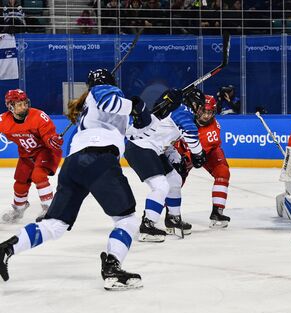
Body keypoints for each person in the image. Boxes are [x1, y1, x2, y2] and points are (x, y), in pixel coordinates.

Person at [0, 68, 149, 290]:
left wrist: (148, 108)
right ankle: (112, 268)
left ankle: (7, 249)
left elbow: (141, 125)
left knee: (55, 225)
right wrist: (134, 104)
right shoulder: (105, 91)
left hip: (73, 165)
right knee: (126, 220)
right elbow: (111, 102)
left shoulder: (92, 110)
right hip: (99, 160)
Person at [125, 87, 206, 242]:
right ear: (193, 103)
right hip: (141, 148)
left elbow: (164, 139)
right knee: (161, 186)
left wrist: (175, 156)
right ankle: (147, 226)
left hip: (152, 148)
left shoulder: (175, 109)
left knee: (174, 180)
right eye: (200, 106)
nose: (200, 111)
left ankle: (173, 219)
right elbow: (190, 133)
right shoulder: (182, 110)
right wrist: (199, 153)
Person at [0, 89, 63, 224]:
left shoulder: (39, 116)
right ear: (10, 106)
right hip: (26, 155)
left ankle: (49, 209)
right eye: (19, 104)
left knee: (38, 175)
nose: (24, 107)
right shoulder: (3, 120)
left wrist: (52, 140)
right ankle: (18, 210)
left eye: (24, 103)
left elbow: (49, 136)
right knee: (20, 183)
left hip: (46, 151)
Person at [170, 94, 231, 228]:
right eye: (204, 111)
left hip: (206, 152)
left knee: (223, 171)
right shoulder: (185, 117)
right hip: (181, 151)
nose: (206, 116)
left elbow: (199, 152)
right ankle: (162, 214)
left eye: (210, 112)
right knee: (173, 184)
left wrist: (186, 159)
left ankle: (217, 211)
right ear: (197, 109)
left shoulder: (212, 128)